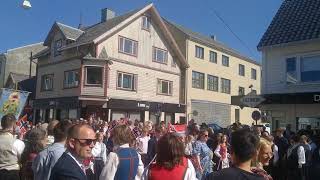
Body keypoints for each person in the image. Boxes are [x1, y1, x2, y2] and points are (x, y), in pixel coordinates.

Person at [0, 114, 25, 180]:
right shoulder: (18, 143)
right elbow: (21, 159)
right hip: (12, 174)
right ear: (14, 126)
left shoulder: (17, 142)